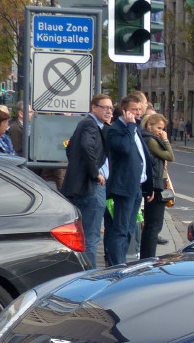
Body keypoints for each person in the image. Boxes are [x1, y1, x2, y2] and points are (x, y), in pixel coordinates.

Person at [61, 93, 113, 268]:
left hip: (81, 187)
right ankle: (89, 276)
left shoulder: (88, 124)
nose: (108, 111)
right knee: (91, 237)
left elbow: (70, 150)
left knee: (82, 235)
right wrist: (95, 173)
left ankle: (78, 272)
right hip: (91, 188)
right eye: (105, 107)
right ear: (94, 107)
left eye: (111, 108)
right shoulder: (91, 125)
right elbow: (85, 146)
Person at [104, 93, 148, 266]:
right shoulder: (117, 129)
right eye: (133, 110)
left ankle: (121, 260)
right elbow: (124, 148)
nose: (137, 113)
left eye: (139, 109)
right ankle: (116, 263)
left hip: (137, 187)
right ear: (124, 111)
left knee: (130, 229)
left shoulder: (134, 128)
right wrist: (130, 126)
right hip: (124, 187)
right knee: (120, 229)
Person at [139, 113, 175, 258]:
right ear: (149, 125)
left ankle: (147, 257)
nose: (161, 131)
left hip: (153, 184)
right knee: (153, 226)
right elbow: (170, 156)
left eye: (163, 128)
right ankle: (148, 258)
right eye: (159, 127)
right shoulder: (151, 140)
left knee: (151, 226)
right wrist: (165, 139)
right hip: (155, 186)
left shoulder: (146, 137)